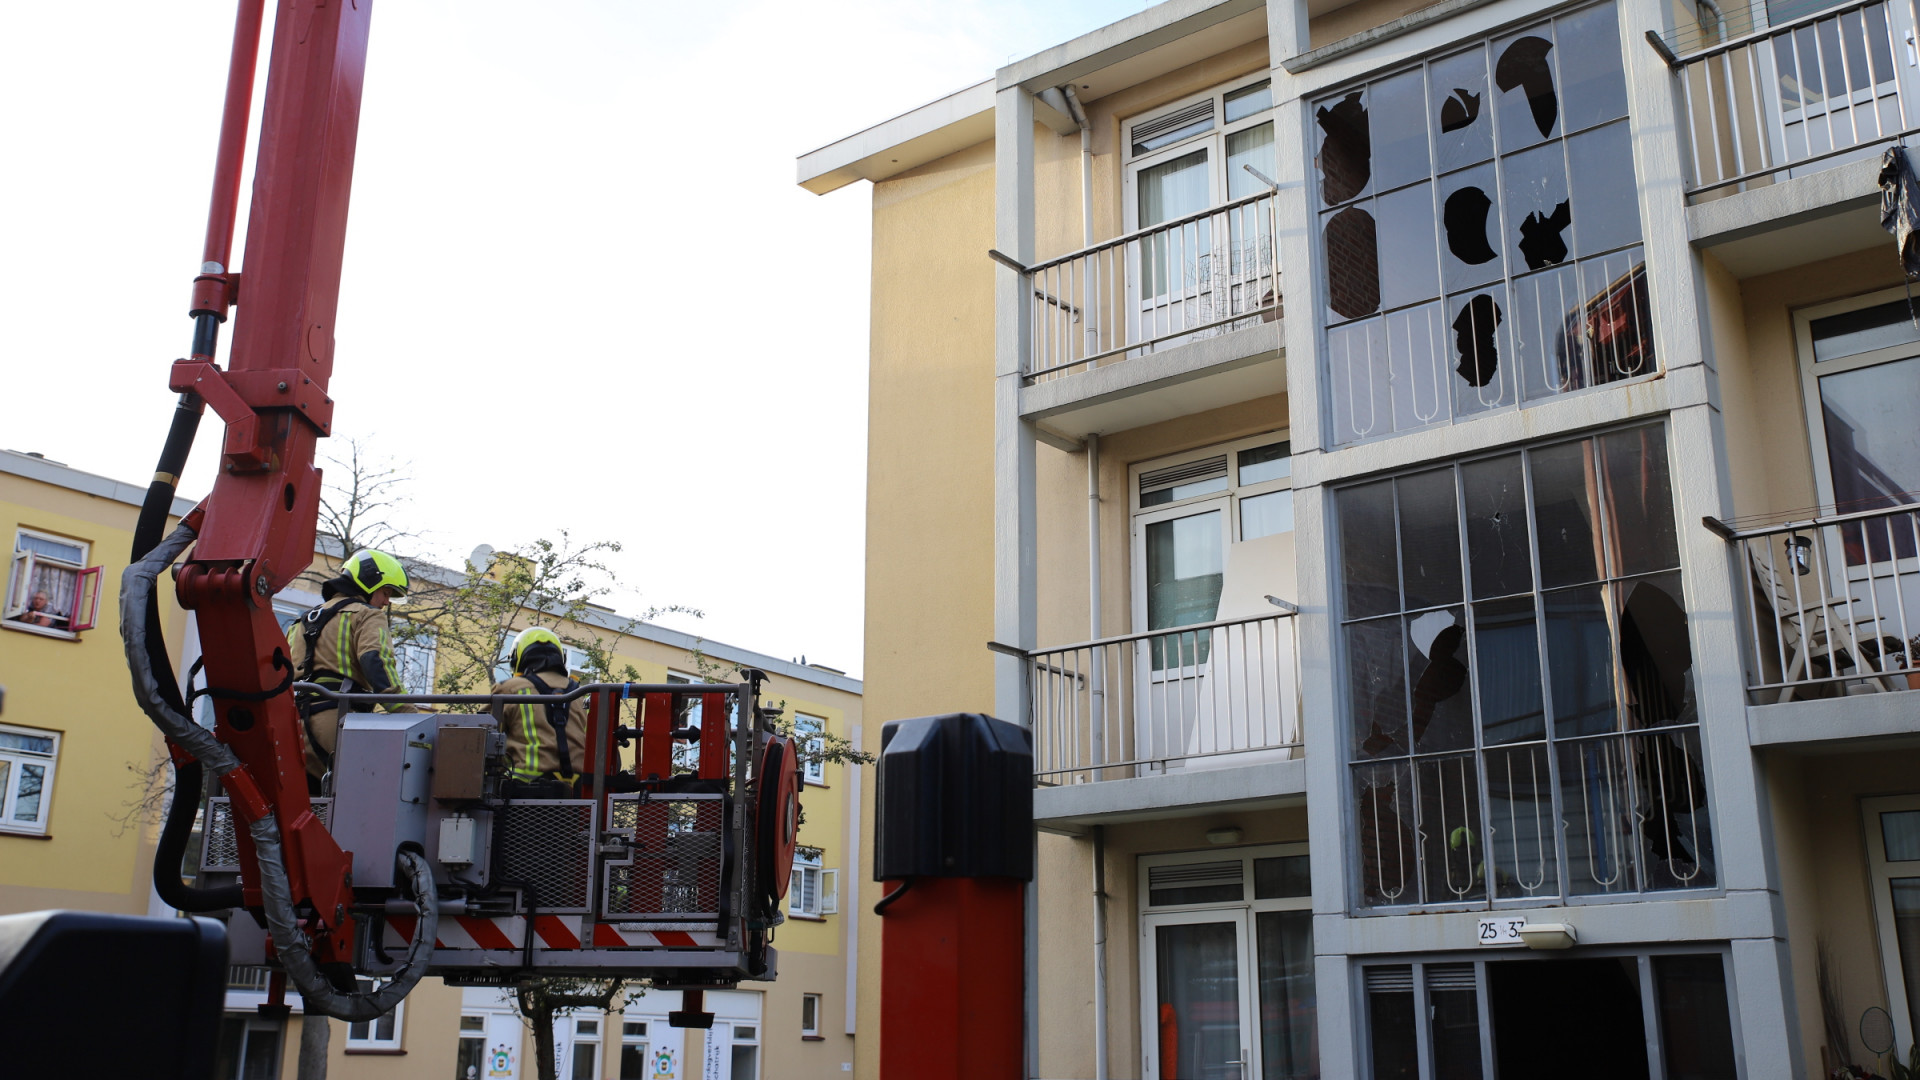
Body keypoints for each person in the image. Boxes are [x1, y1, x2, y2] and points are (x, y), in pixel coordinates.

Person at [288, 548, 417, 787]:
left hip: (294, 728)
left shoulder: (302, 621)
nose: (386, 601)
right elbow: (375, 661)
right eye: (385, 592)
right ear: (369, 582)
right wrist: (407, 714)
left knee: (310, 804)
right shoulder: (368, 615)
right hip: (338, 723)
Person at [489, 626, 587, 795]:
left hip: (524, 795)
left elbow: (481, 737)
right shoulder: (581, 695)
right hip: (579, 797)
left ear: (517, 658)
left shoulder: (511, 689)